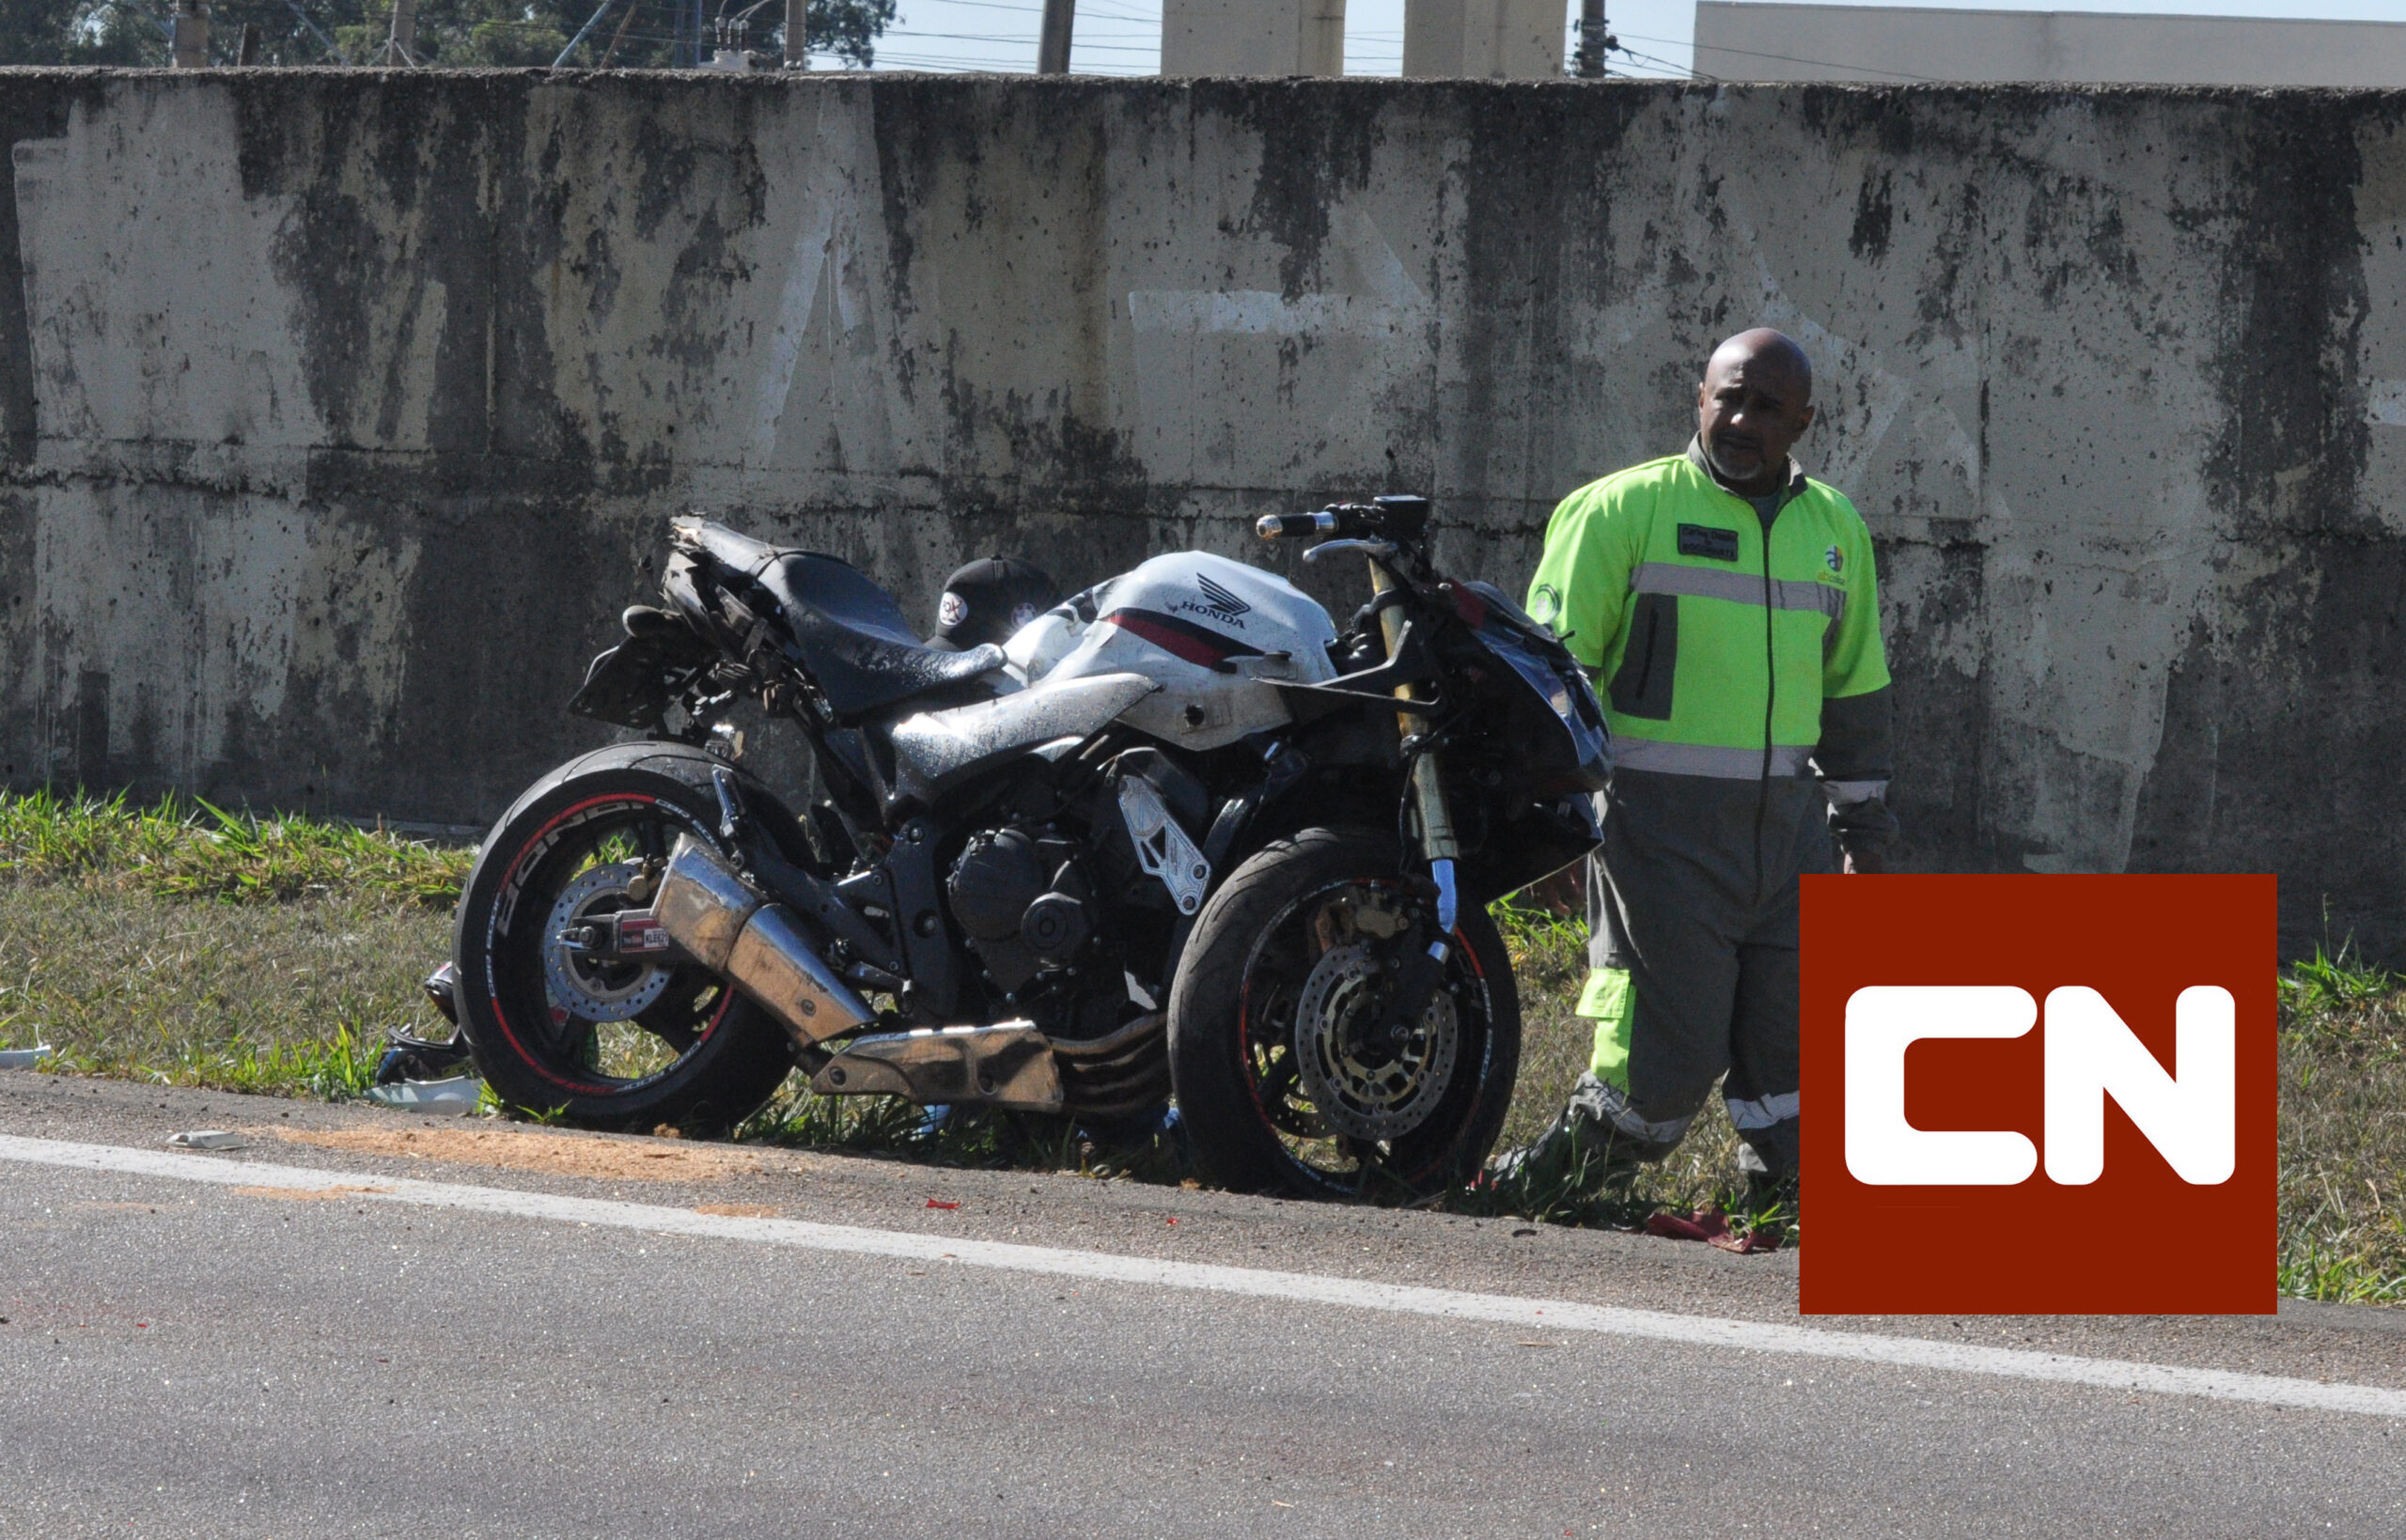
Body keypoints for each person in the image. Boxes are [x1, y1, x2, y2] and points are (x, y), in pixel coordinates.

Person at [1490, 328, 1895, 1206]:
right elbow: (1545, 686)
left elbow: (1854, 693)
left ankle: (1783, 1214)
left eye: (1768, 407)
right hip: (1656, 841)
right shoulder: (1617, 513)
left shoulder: (1836, 531)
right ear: (1698, 400)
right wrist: (1547, 827)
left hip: (1791, 848)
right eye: (1730, 398)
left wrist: (1866, 837)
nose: (1743, 419)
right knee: (1657, 1063)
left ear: (1804, 421)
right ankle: (1530, 1194)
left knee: (1794, 1059)